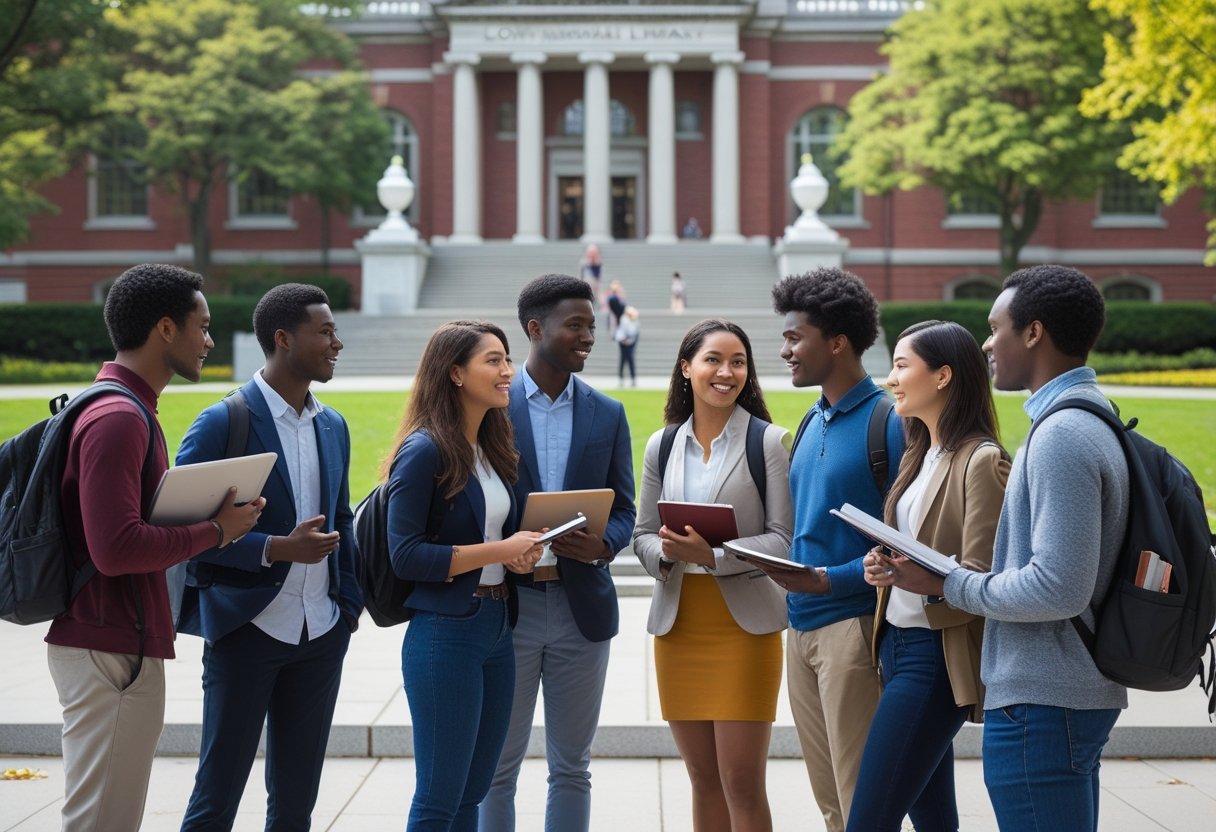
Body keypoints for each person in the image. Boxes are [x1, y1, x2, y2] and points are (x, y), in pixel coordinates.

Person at [886, 266, 1130, 832]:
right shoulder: (1087, 418)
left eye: (996, 328)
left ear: (1034, 333)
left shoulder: (1062, 435)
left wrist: (946, 582)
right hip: (1062, 692)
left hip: (1044, 697)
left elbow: (1057, 586)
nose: (988, 343)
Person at [44, 263, 263, 831]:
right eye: (203, 326)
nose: (210, 341)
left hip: (121, 639)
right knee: (102, 820)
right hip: (108, 643)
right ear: (166, 329)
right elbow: (115, 548)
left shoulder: (127, 407)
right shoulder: (118, 416)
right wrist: (216, 531)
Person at [174, 283, 364, 831]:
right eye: (325, 332)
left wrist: (346, 606)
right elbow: (181, 528)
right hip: (246, 630)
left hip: (321, 633)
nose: (337, 343)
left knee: (297, 800)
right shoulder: (223, 422)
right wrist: (276, 550)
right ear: (283, 339)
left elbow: (343, 517)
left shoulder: (333, 424)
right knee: (217, 794)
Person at [750, 267, 906, 832]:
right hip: (801, 628)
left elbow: (911, 547)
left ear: (837, 341)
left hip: (854, 630)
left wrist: (828, 579)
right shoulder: (811, 420)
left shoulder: (889, 421)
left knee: (862, 800)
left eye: (796, 337)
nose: (785, 349)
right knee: (831, 803)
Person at [480, 275, 636, 832]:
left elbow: (625, 510)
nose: (589, 336)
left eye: (592, 326)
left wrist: (603, 545)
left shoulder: (608, 413)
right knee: (497, 767)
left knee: (573, 767)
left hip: (581, 611)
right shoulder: (487, 408)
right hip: (506, 610)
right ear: (534, 328)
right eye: (577, 325)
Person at [846, 321, 1010, 832]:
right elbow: (917, 548)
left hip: (935, 657)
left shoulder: (981, 460)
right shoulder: (919, 455)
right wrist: (885, 567)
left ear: (942, 376)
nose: (890, 378)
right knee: (935, 820)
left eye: (901, 365)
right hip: (895, 646)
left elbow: (986, 579)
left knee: (868, 820)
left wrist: (926, 579)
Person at [633, 319, 793, 831]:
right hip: (679, 627)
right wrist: (668, 552)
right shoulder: (662, 444)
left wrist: (714, 555)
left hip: (745, 629)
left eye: (738, 362)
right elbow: (641, 533)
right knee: (702, 778)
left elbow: (783, 540)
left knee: (741, 782)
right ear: (687, 368)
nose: (726, 372)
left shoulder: (769, 442)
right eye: (713, 360)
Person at [385, 320, 544, 831]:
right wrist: (498, 548)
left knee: (473, 792)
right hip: (445, 633)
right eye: (492, 361)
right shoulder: (424, 450)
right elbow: (405, 556)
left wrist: (515, 556)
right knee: (439, 797)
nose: (507, 371)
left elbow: (487, 539)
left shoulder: (490, 448)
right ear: (455, 373)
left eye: (506, 358)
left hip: (497, 626)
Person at [614, 305, 640, 387]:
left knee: (631, 361)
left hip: (631, 344)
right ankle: (621, 379)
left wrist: (631, 340)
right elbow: (623, 331)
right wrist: (625, 340)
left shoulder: (636, 322)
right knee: (623, 360)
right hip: (623, 343)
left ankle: (633, 379)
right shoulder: (624, 319)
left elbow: (635, 333)